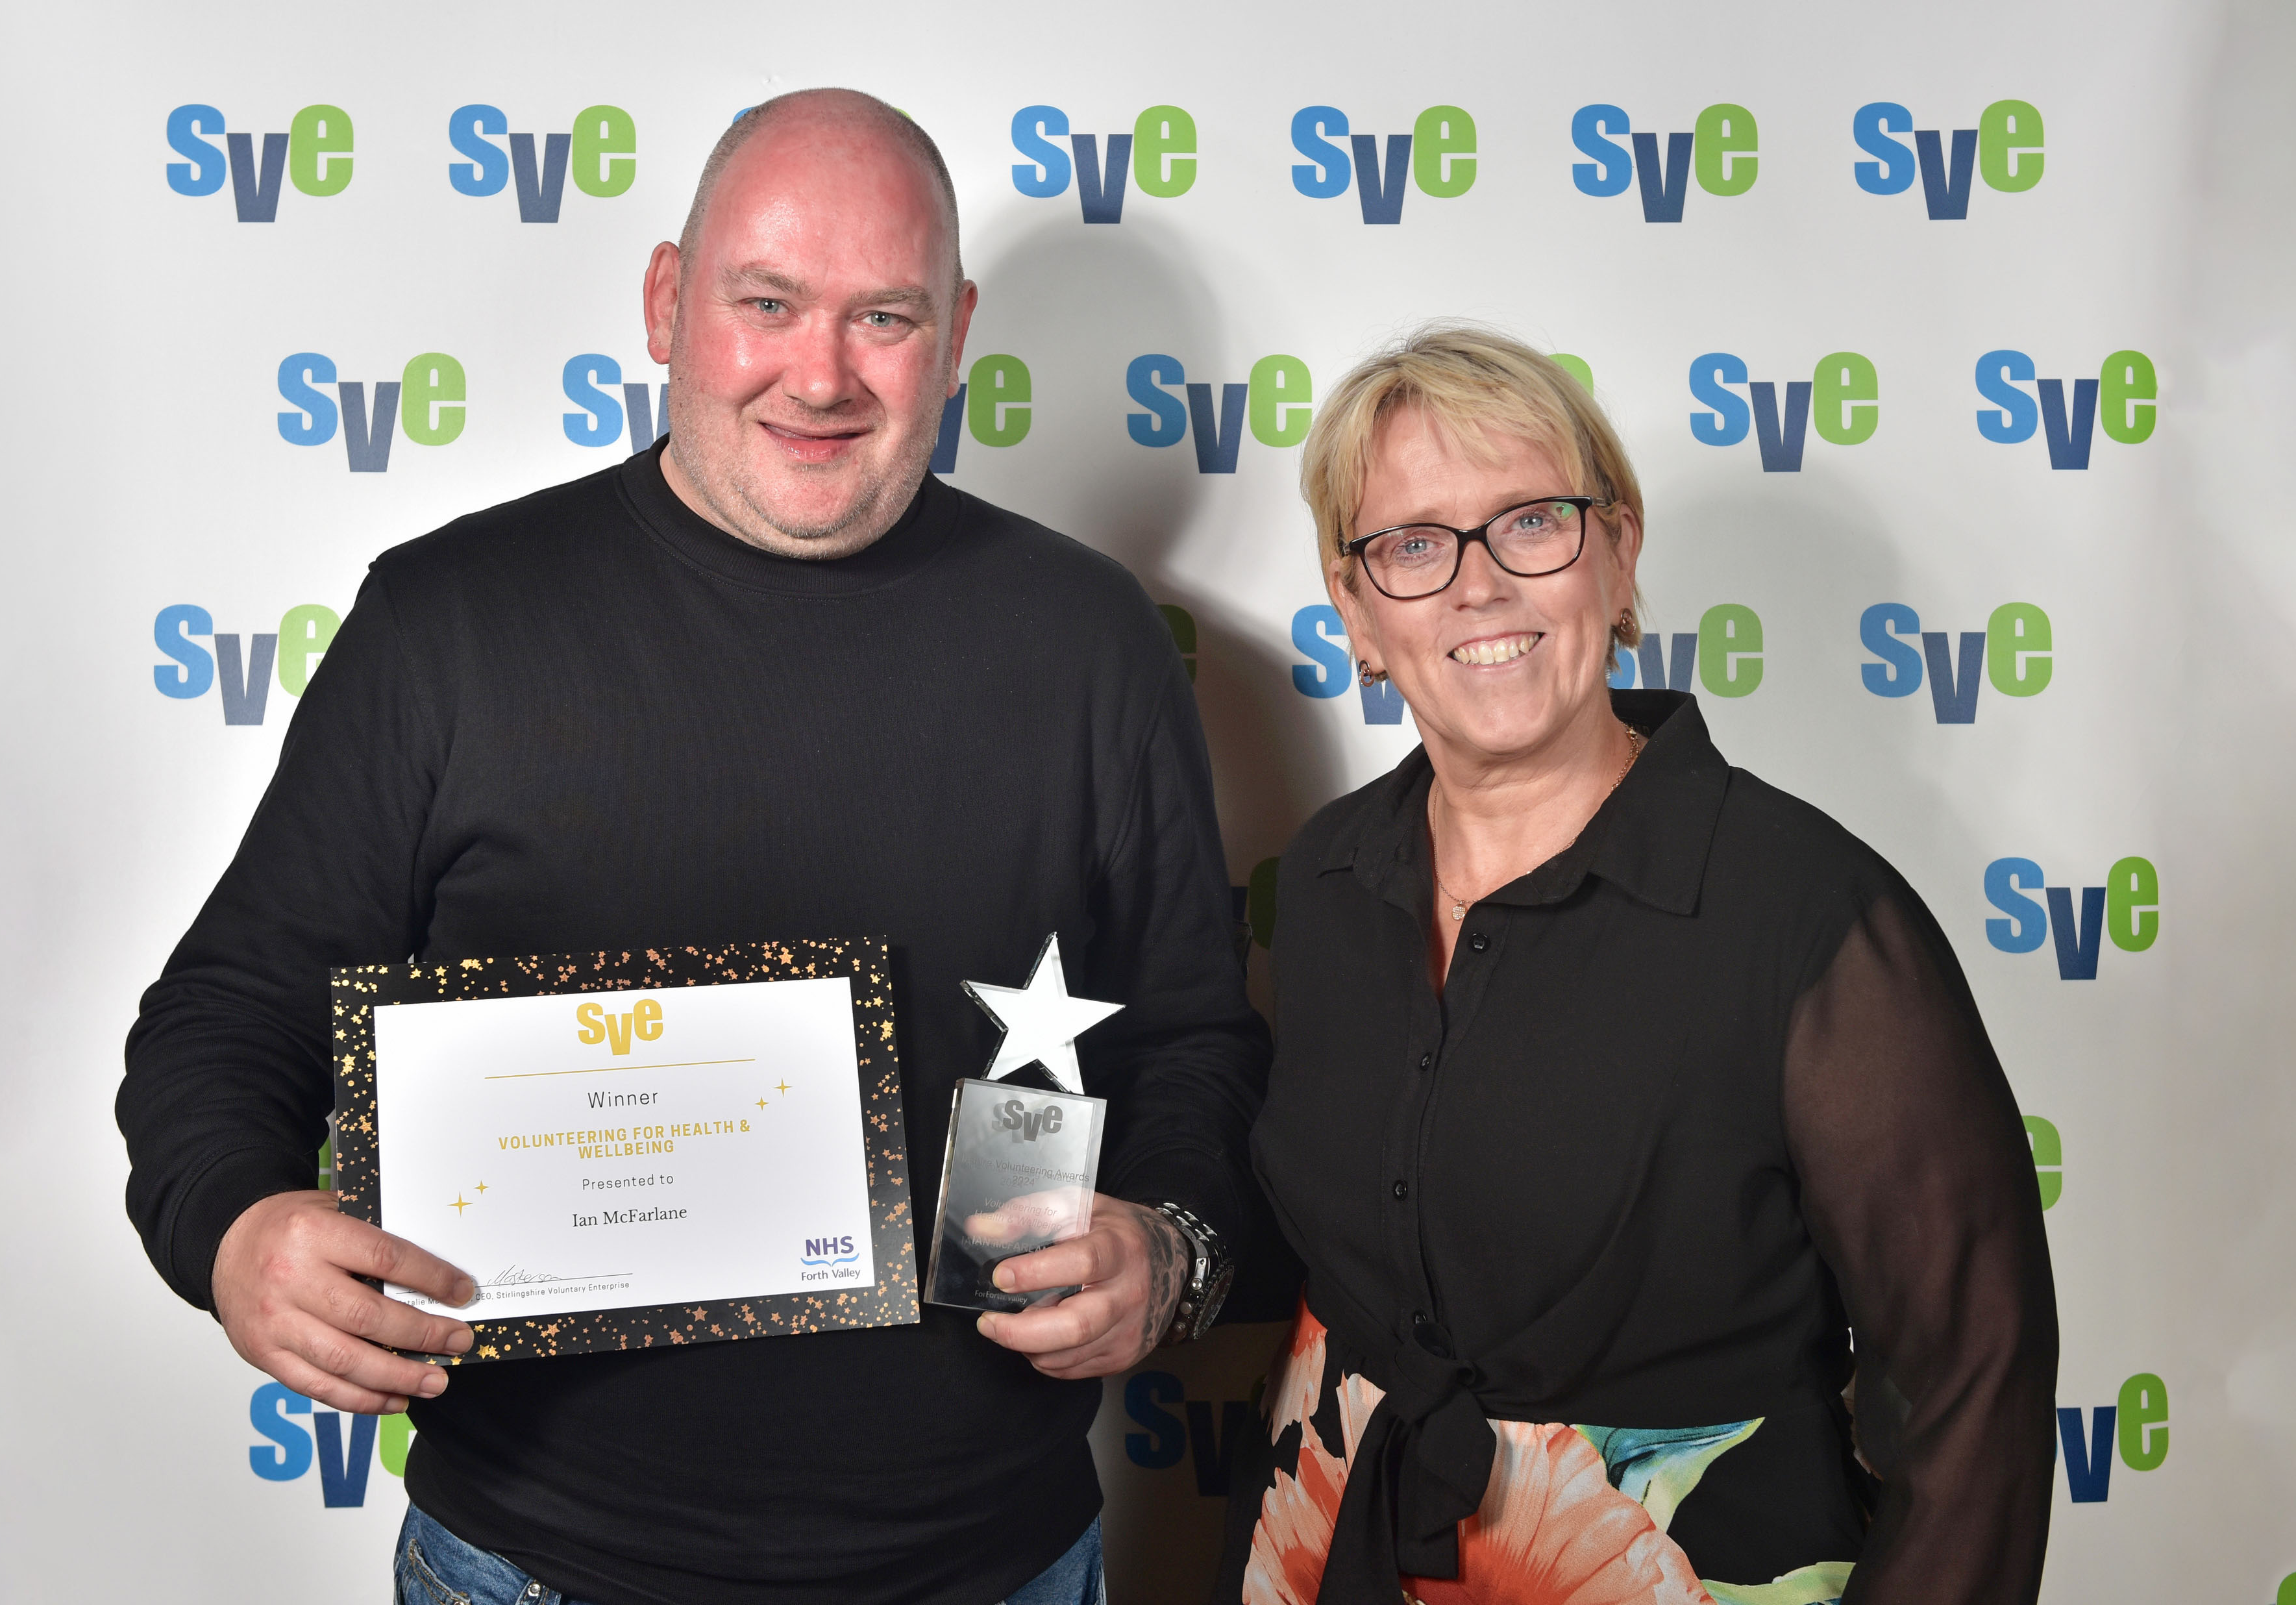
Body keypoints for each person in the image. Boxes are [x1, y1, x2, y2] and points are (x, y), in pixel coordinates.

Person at [118, 89, 1268, 1605]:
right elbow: (223, 1019)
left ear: (957, 331)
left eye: (884, 318)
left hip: (991, 1565)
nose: (821, 375)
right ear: (667, 301)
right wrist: (236, 1227)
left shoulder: (1090, 641)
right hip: (533, 1564)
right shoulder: (445, 625)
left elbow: (1193, 1040)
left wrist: (1172, 1250)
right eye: (767, 302)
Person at [1221, 325, 2056, 1605]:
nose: (1477, 586)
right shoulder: (1329, 881)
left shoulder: (1811, 918)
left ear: (1615, 554)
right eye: (1410, 545)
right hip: (1345, 1534)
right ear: (1355, 613)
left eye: (1530, 524)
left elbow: (1971, 1395)